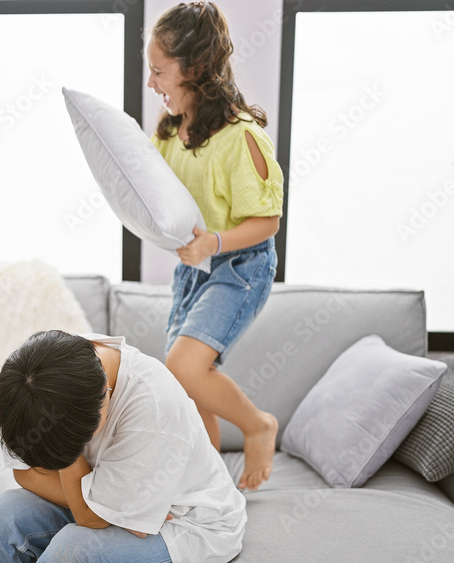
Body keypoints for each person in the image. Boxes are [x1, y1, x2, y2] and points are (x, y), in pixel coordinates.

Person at [147, 1, 283, 491]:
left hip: (241, 266)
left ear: (196, 70)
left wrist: (213, 244)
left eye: (159, 72)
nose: (151, 84)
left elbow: (267, 221)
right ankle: (211, 491)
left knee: (183, 367)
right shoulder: (169, 132)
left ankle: (257, 425)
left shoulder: (241, 137)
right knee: (189, 386)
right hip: (196, 268)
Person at [0, 330, 246, 563]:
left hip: (188, 523)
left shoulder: (153, 407)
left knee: (72, 550)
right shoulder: (37, 378)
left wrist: (71, 460)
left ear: (104, 394)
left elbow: (91, 519)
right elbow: (25, 473)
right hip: (101, 497)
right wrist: (112, 511)